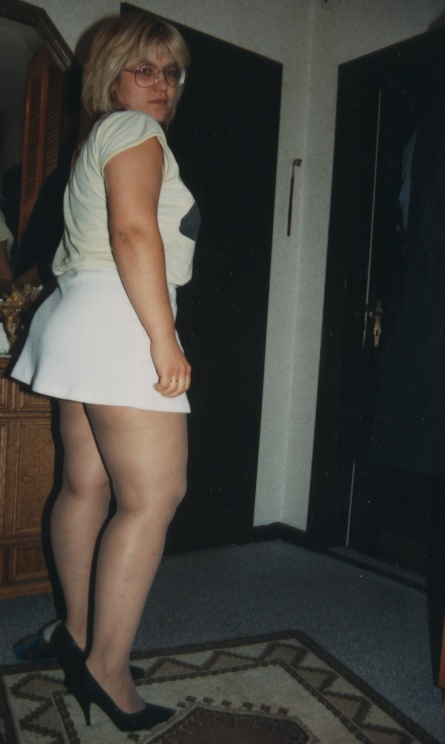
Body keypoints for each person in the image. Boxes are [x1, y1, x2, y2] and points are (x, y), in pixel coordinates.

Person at [11, 11, 199, 733]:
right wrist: (163, 339)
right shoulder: (135, 131)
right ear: (110, 77)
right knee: (153, 497)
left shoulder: (99, 136)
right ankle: (106, 668)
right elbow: (133, 231)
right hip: (122, 318)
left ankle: (80, 634)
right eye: (143, 69)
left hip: (79, 315)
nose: (161, 84)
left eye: (171, 71)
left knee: (85, 485)